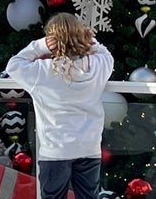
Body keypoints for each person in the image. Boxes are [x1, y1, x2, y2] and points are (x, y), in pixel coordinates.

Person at [6, 12, 114, 199]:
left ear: (51, 39)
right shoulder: (97, 66)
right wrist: (91, 41)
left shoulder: (43, 71)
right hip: (89, 147)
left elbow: (14, 65)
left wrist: (40, 46)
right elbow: (106, 55)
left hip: (55, 150)